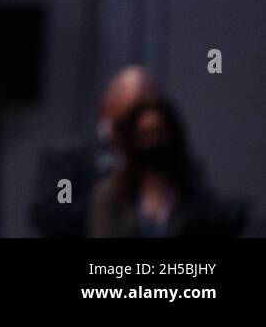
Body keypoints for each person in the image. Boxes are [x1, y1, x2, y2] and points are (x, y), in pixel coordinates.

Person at [29, 64, 160, 237]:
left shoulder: (165, 160)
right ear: (108, 107)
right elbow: (55, 215)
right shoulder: (69, 159)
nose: (142, 122)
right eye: (133, 112)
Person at [89, 96, 247, 238]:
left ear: (172, 136)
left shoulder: (192, 192)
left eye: (160, 133)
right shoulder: (110, 194)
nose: (154, 141)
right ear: (134, 140)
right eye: (146, 134)